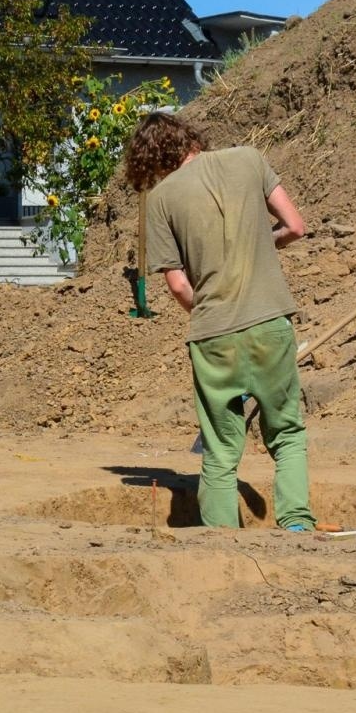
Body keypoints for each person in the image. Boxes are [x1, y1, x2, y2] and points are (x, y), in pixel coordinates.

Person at [123, 111, 316, 531]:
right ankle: (297, 526)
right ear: (189, 138)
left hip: (211, 334)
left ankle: (219, 544)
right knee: (286, 434)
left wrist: (213, 310)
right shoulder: (249, 158)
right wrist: (265, 242)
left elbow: (177, 286)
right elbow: (296, 227)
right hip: (269, 321)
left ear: (152, 160)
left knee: (220, 448)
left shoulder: (160, 200)